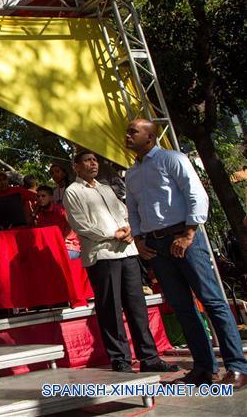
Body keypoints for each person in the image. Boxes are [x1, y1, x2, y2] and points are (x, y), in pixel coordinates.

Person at [126, 119, 247, 389]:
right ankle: (204, 368)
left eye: (133, 131)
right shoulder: (131, 173)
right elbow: (132, 209)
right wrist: (138, 238)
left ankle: (237, 367)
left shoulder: (172, 159)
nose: (127, 135)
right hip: (155, 245)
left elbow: (196, 194)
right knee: (181, 307)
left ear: (150, 137)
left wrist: (189, 234)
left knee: (212, 301)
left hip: (185, 237)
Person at [65, 150, 178, 374]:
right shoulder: (72, 192)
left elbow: (124, 212)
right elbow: (80, 225)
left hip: (127, 251)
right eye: (87, 161)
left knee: (137, 306)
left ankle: (150, 357)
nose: (93, 164)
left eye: (95, 160)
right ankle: (120, 359)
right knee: (111, 308)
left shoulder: (106, 188)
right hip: (102, 254)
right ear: (76, 167)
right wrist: (112, 234)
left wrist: (128, 230)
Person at [34, 185, 81, 260]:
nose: (40, 199)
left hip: (69, 246)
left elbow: (71, 226)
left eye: (43, 196)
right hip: (53, 247)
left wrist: (62, 240)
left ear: (51, 198)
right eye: (38, 196)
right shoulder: (41, 214)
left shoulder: (60, 211)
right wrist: (34, 213)